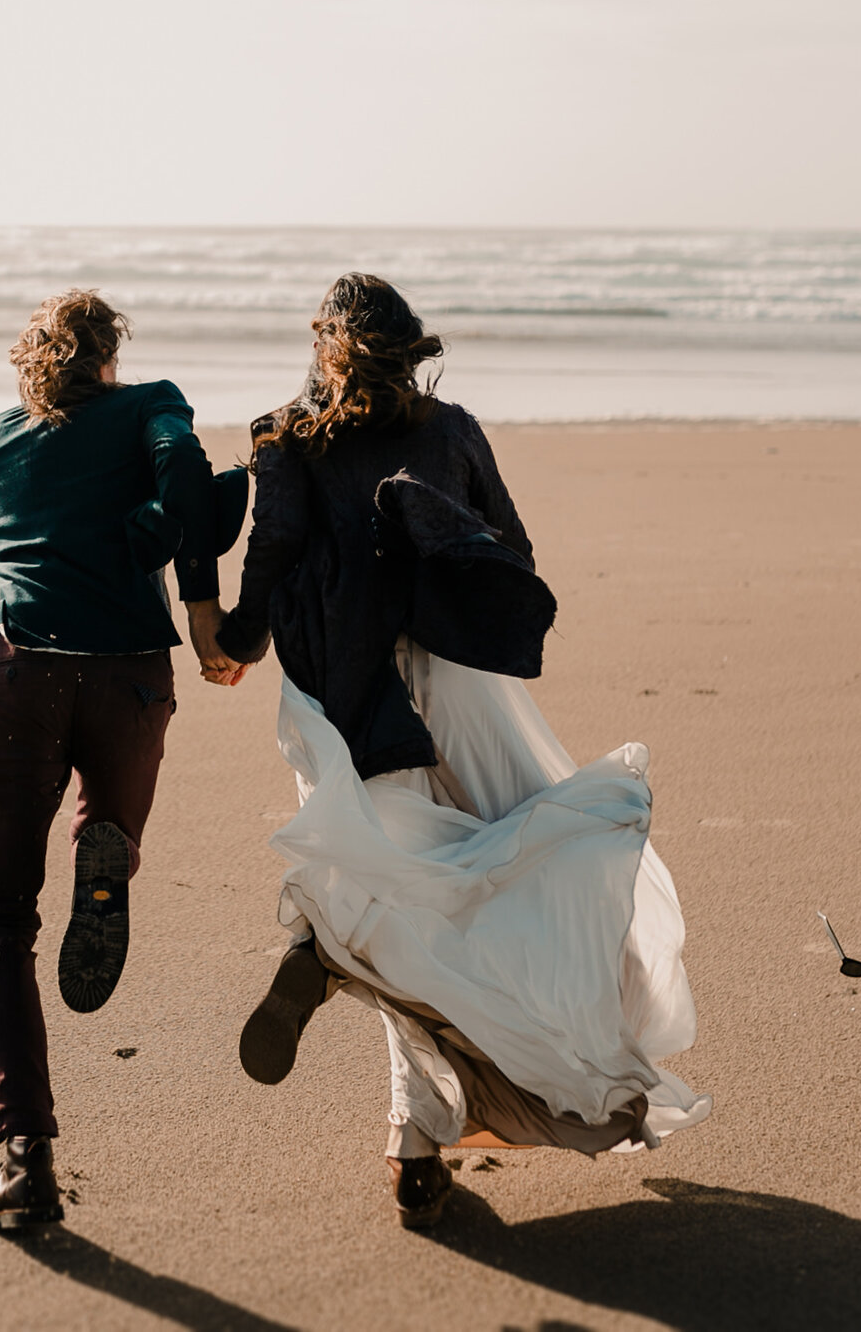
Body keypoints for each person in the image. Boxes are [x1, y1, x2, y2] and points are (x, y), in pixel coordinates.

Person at [214, 273, 711, 1229]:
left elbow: (269, 558)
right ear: (413, 350)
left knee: (397, 890)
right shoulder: (452, 430)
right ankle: (414, 1145)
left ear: (325, 349)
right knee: (491, 877)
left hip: (345, 693)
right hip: (461, 683)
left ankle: (329, 965)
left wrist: (232, 646)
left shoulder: (282, 434)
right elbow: (511, 552)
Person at [0, 289, 244, 1231]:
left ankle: (26, 1161)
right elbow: (190, 481)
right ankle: (105, 843)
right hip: (129, 674)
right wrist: (185, 566)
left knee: (1, 922)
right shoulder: (152, 403)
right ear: (108, 357)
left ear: (25, 367)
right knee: (108, 824)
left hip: (20, 669)